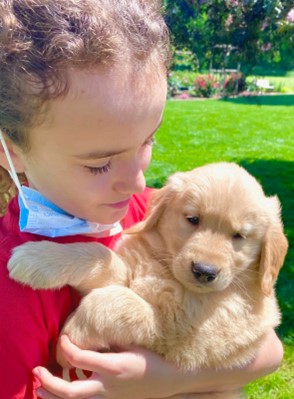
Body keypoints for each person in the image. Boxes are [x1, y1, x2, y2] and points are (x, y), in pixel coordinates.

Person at [0, 1, 283, 398]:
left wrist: (165, 379)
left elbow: (269, 349)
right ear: (11, 149)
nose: (138, 183)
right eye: (99, 164)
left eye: (147, 140)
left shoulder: (151, 211)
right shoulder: (8, 298)